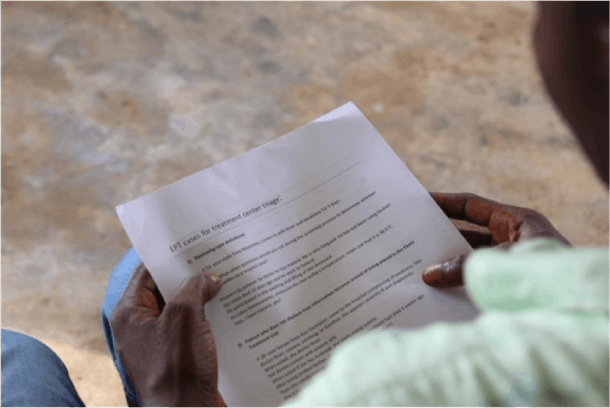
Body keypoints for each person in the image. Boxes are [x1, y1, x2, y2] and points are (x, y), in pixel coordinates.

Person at [1, 1, 607, 406]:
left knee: (20, 358)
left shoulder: (393, 387)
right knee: (137, 279)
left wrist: (173, 400)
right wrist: (564, 281)